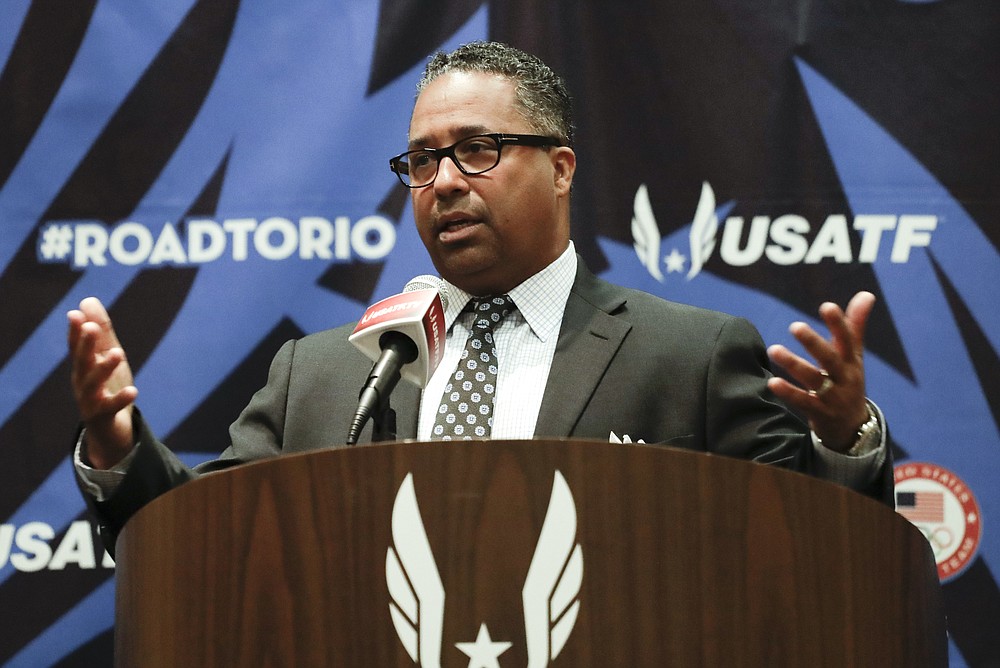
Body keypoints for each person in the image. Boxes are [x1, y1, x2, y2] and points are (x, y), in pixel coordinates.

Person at [69, 41, 889, 550]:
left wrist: (844, 440)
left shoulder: (692, 356)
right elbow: (197, 539)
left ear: (561, 167)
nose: (444, 182)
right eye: (422, 161)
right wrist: (115, 446)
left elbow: (811, 555)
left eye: (479, 150)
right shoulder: (319, 376)